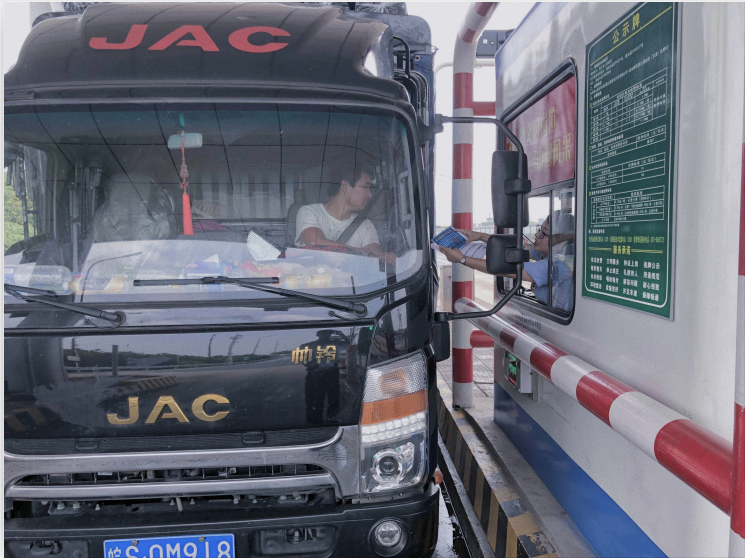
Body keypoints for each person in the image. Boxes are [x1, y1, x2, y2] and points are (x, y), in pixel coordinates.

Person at [439, 213, 575, 310]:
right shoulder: (555, 253)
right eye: (539, 229)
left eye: (544, 234)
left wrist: (462, 259)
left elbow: (507, 269)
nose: (537, 235)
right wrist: (480, 236)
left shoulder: (559, 265)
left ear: (561, 243)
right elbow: (517, 248)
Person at [294, 161, 383, 256]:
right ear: (345, 186)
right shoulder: (309, 212)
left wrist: (372, 254)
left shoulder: (366, 225)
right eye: (365, 187)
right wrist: (362, 252)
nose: (369, 194)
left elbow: (375, 257)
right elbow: (317, 245)